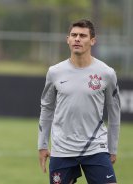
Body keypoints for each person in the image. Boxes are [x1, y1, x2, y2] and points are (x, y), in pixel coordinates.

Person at [38, 19, 120, 184]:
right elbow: (46, 108)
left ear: (92, 41)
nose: (77, 39)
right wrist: (42, 144)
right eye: (74, 35)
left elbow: (114, 112)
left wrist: (113, 148)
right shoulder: (54, 72)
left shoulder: (107, 73)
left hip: (96, 148)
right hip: (62, 149)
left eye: (82, 36)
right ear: (67, 39)